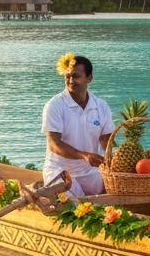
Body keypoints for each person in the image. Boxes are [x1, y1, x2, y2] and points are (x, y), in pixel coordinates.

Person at [42, 52, 113, 198]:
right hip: (59, 171)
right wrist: (84, 155)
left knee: (116, 192)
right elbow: (53, 144)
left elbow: (106, 140)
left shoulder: (101, 106)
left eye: (76, 76)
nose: (71, 80)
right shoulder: (54, 105)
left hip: (90, 172)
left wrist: (114, 159)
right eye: (67, 76)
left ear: (89, 78)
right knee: (74, 205)